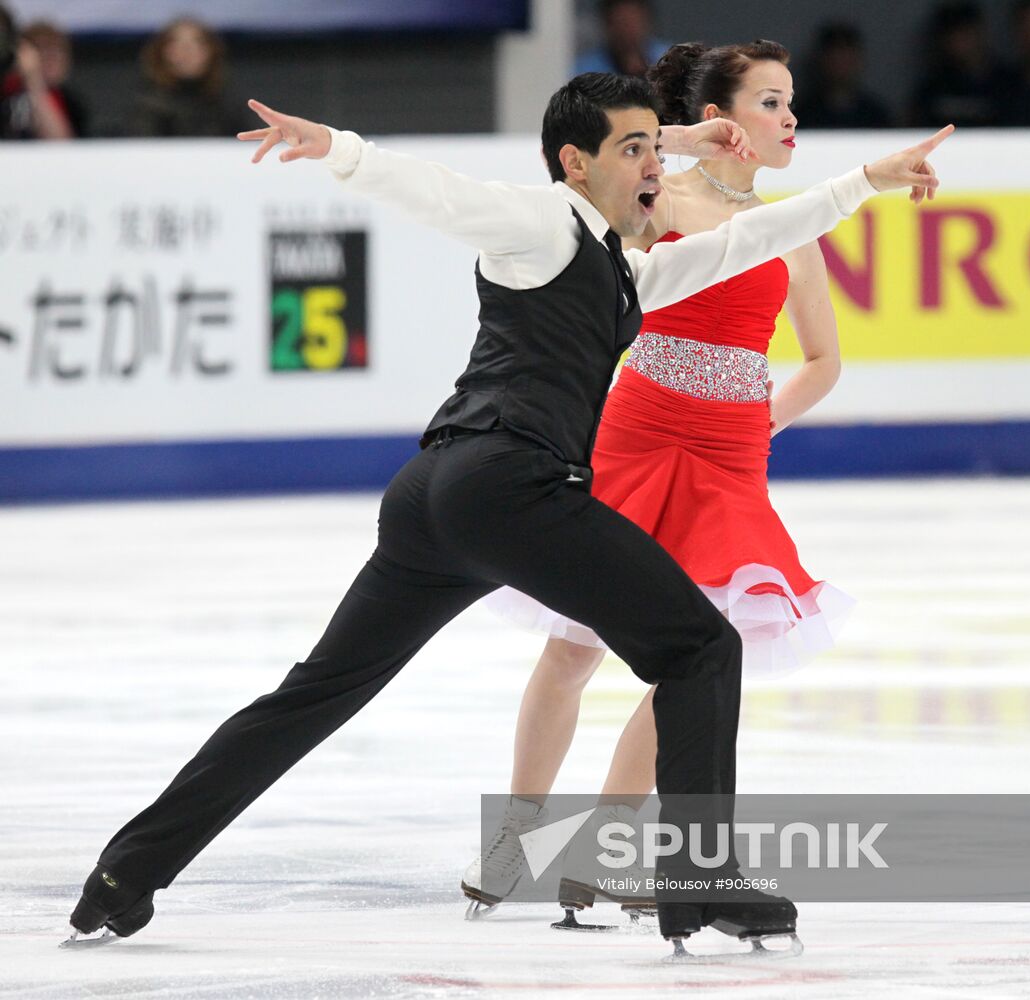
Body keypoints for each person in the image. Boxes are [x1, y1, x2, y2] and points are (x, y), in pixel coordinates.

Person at [66, 73, 949, 953]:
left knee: (319, 691)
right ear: (574, 162)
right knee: (700, 647)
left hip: (436, 495)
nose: (653, 167)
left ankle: (126, 872)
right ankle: (697, 881)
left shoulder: (632, 267)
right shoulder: (540, 227)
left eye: (656, 147)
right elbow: (442, 194)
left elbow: (752, 236)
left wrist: (862, 182)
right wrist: (336, 148)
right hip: (507, 488)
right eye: (632, 150)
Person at [463, 39, 854, 920]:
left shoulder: (792, 229)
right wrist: (678, 143)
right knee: (574, 644)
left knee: (690, 663)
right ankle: (511, 840)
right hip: (634, 438)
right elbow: (580, 200)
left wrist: (754, 421)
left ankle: (599, 854)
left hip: (726, 465)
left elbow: (824, 361)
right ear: (720, 116)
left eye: (790, 102)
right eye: (768, 101)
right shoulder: (655, 201)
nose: (789, 118)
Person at [133, 16, 247, 138]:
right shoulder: (144, 107)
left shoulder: (231, 106)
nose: (187, 52)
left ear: (212, 52)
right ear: (161, 52)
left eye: (197, 43)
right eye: (177, 44)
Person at [910, 1, 1012, 128]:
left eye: (967, 33)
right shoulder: (934, 88)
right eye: (954, 35)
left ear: (981, 32)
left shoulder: (1008, 83)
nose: (961, 42)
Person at [794, 23, 891, 129]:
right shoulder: (802, 114)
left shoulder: (875, 115)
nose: (841, 67)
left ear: (858, 61)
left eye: (847, 60)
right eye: (834, 59)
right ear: (821, 61)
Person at [0, 5, 75, 140]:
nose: (52, 57)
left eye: (57, 50)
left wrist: (33, 80)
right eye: (43, 49)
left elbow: (60, 143)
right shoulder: (8, 89)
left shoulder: (70, 100)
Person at [574, 0, 669, 77]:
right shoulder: (587, 70)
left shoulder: (667, 59)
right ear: (608, 25)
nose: (629, 30)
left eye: (634, 22)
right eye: (623, 23)